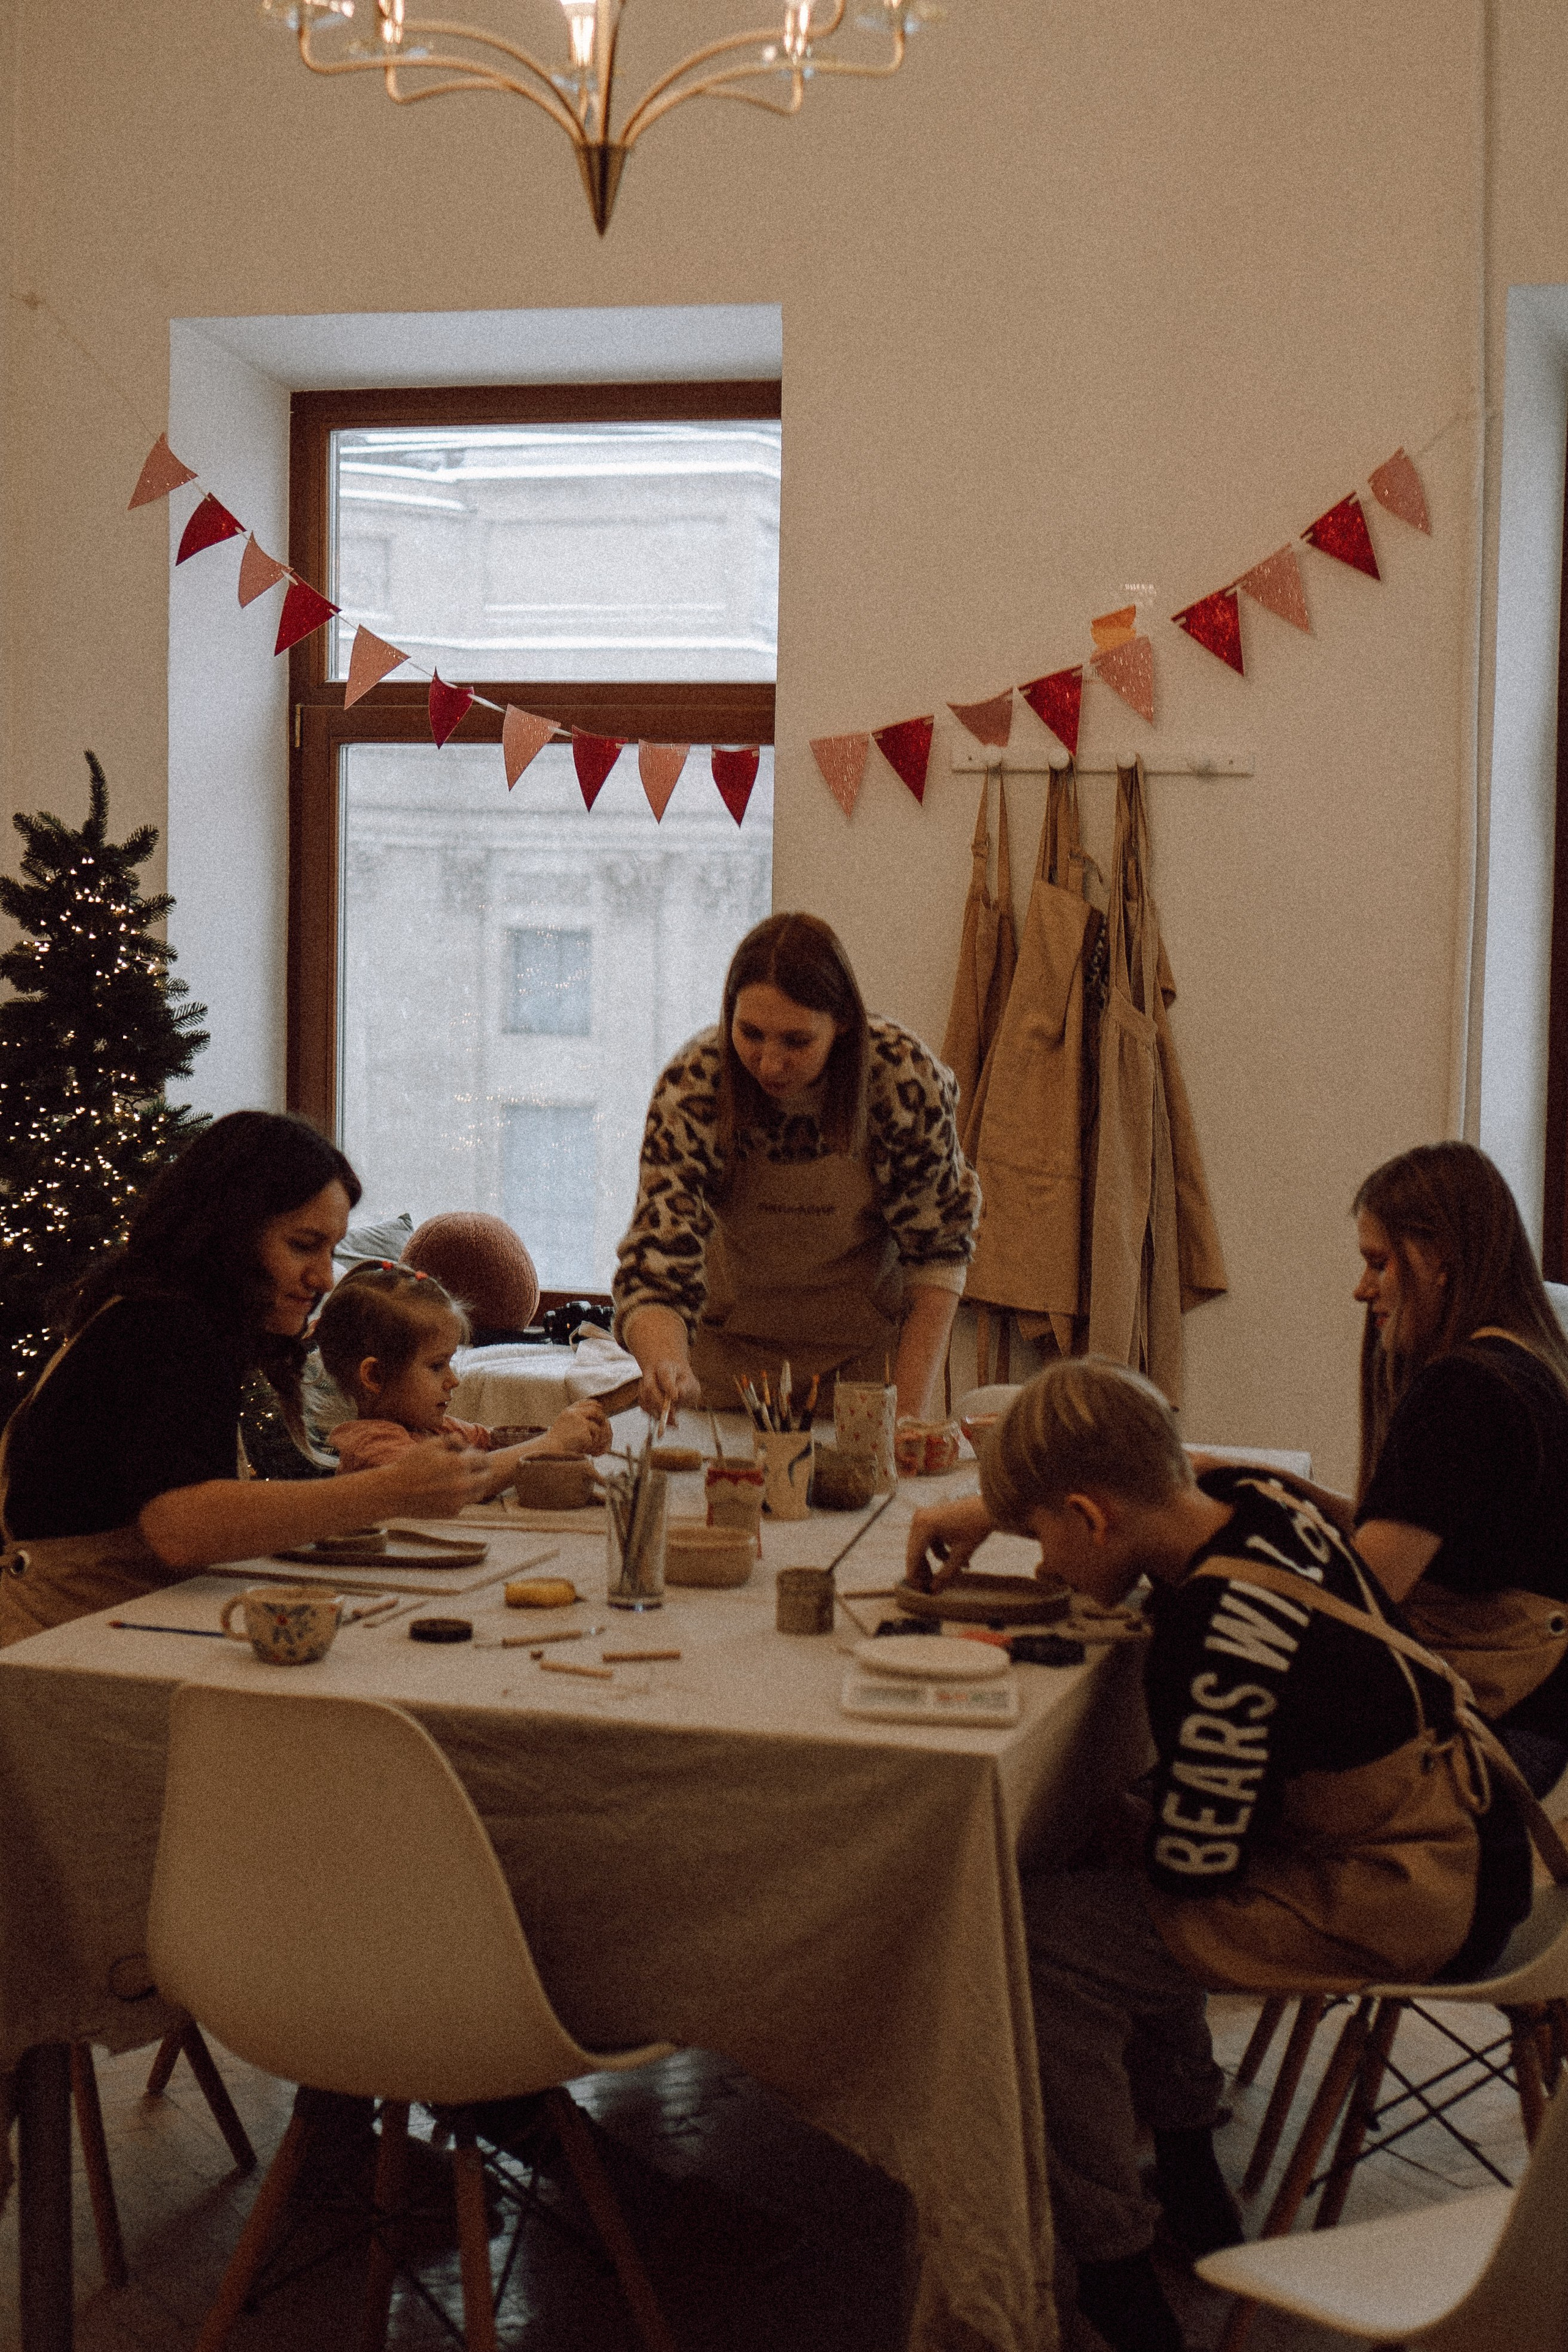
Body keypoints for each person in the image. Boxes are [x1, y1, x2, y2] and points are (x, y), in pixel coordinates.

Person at [906, 1358, 1531, 2352]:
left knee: (1039, 1939)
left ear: (1092, 1514)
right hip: (1475, 1824)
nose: (1041, 1570)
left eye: (1043, 1540)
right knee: (1125, 1872)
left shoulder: (1212, 1638)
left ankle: (1113, 2266)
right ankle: (1190, 2165)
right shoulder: (1251, 1499)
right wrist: (998, 1508)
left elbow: (1193, 1876)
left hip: (1406, 1890)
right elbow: (1163, 1466)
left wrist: (1091, 1807)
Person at [0, 1111, 497, 1643]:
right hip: (55, 1640)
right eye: (304, 1245)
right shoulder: (162, 1325)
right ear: (228, 1233)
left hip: (110, 1617)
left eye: (331, 1250)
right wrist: (390, 1489)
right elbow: (181, 1527)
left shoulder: (172, 1315)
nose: (325, 1277)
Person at [1243, 1142, 1568, 1796]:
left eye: (1377, 1262)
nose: (1362, 1289)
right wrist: (1275, 1485)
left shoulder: (1463, 1389)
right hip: (1537, 1731)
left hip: (1488, 1739)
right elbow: (1423, 1524)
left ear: (1438, 1257)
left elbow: (1358, 1603)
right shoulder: (1531, 1366)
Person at [613, 911, 981, 1424]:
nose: (768, 1063)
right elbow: (656, 1266)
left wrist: (906, 1420)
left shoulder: (902, 1081)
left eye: (796, 1041)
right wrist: (666, 1365)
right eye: (751, 1034)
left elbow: (938, 1258)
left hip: (862, 1381)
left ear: (844, 1023)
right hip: (725, 1377)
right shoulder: (696, 1084)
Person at [314, 1260, 609, 1483]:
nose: (453, 1380)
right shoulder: (370, 1445)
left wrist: (574, 1432)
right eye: (436, 1366)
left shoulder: (437, 1428)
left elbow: (499, 1441)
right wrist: (553, 1443)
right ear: (375, 1376)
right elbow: (456, 1482)